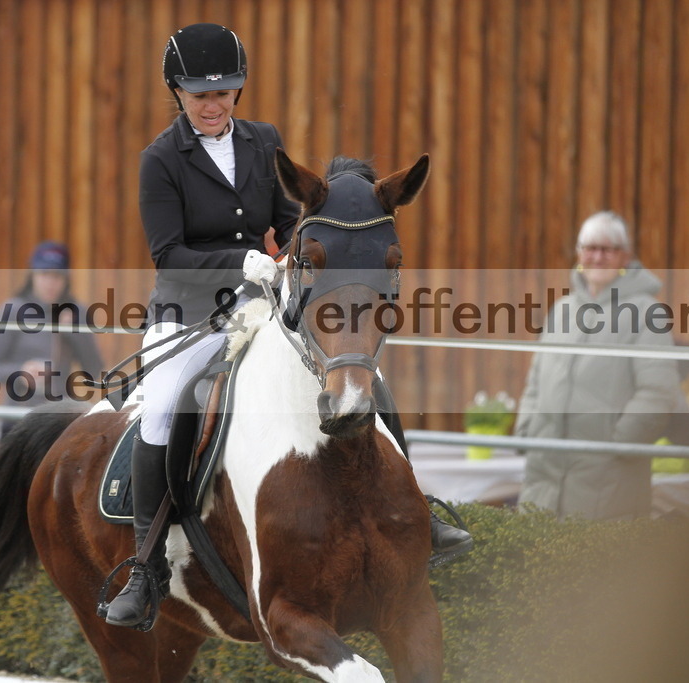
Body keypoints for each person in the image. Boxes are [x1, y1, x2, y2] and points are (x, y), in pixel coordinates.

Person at [103, 23, 470, 628]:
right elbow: (167, 254)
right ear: (178, 93)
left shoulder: (262, 141)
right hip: (188, 312)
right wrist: (237, 261)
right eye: (199, 94)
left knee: (359, 375)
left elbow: (295, 219)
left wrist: (292, 260)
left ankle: (419, 511)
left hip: (264, 301)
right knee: (166, 407)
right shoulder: (160, 160)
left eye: (224, 93)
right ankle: (146, 567)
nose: (213, 104)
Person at [514, 211, 681, 519]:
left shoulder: (647, 312)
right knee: (537, 563)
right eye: (590, 248)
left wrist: (619, 445)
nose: (598, 257)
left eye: (609, 249)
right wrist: (527, 431)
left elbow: (658, 392)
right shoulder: (561, 310)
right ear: (579, 254)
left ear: (626, 257)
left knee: (598, 565)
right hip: (544, 480)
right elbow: (535, 382)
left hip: (608, 483)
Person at [0, 241, 104, 437]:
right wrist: (20, 371)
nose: (50, 283)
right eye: (44, 274)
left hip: (59, 422)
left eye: (57, 276)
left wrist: (75, 333)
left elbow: (94, 369)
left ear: (66, 279)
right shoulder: (12, 310)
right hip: (16, 419)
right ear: (32, 275)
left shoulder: (75, 312)